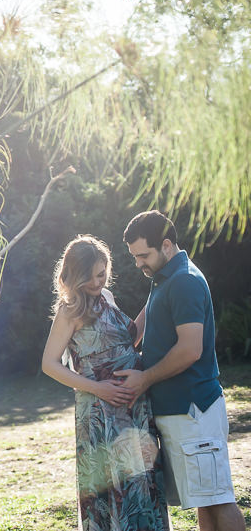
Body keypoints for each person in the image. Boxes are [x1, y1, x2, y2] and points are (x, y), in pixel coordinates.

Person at [114, 210, 246, 531]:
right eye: (134, 256)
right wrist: (118, 341)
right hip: (178, 413)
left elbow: (190, 349)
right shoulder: (164, 277)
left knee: (218, 499)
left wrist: (144, 378)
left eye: (143, 255)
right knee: (203, 499)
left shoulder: (184, 281)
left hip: (194, 411)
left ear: (166, 245)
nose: (138, 263)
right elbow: (147, 316)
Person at [42, 235, 170, 531]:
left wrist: (157, 296)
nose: (97, 282)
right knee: (113, 488)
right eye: (89, 277)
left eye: (101, 274)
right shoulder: (69, 310)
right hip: (101, 414)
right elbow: (49, 364)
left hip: (134, 409)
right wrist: (98, 388)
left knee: (141, 484)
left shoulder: (107, 297)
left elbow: (128, 339)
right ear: (74, 276)